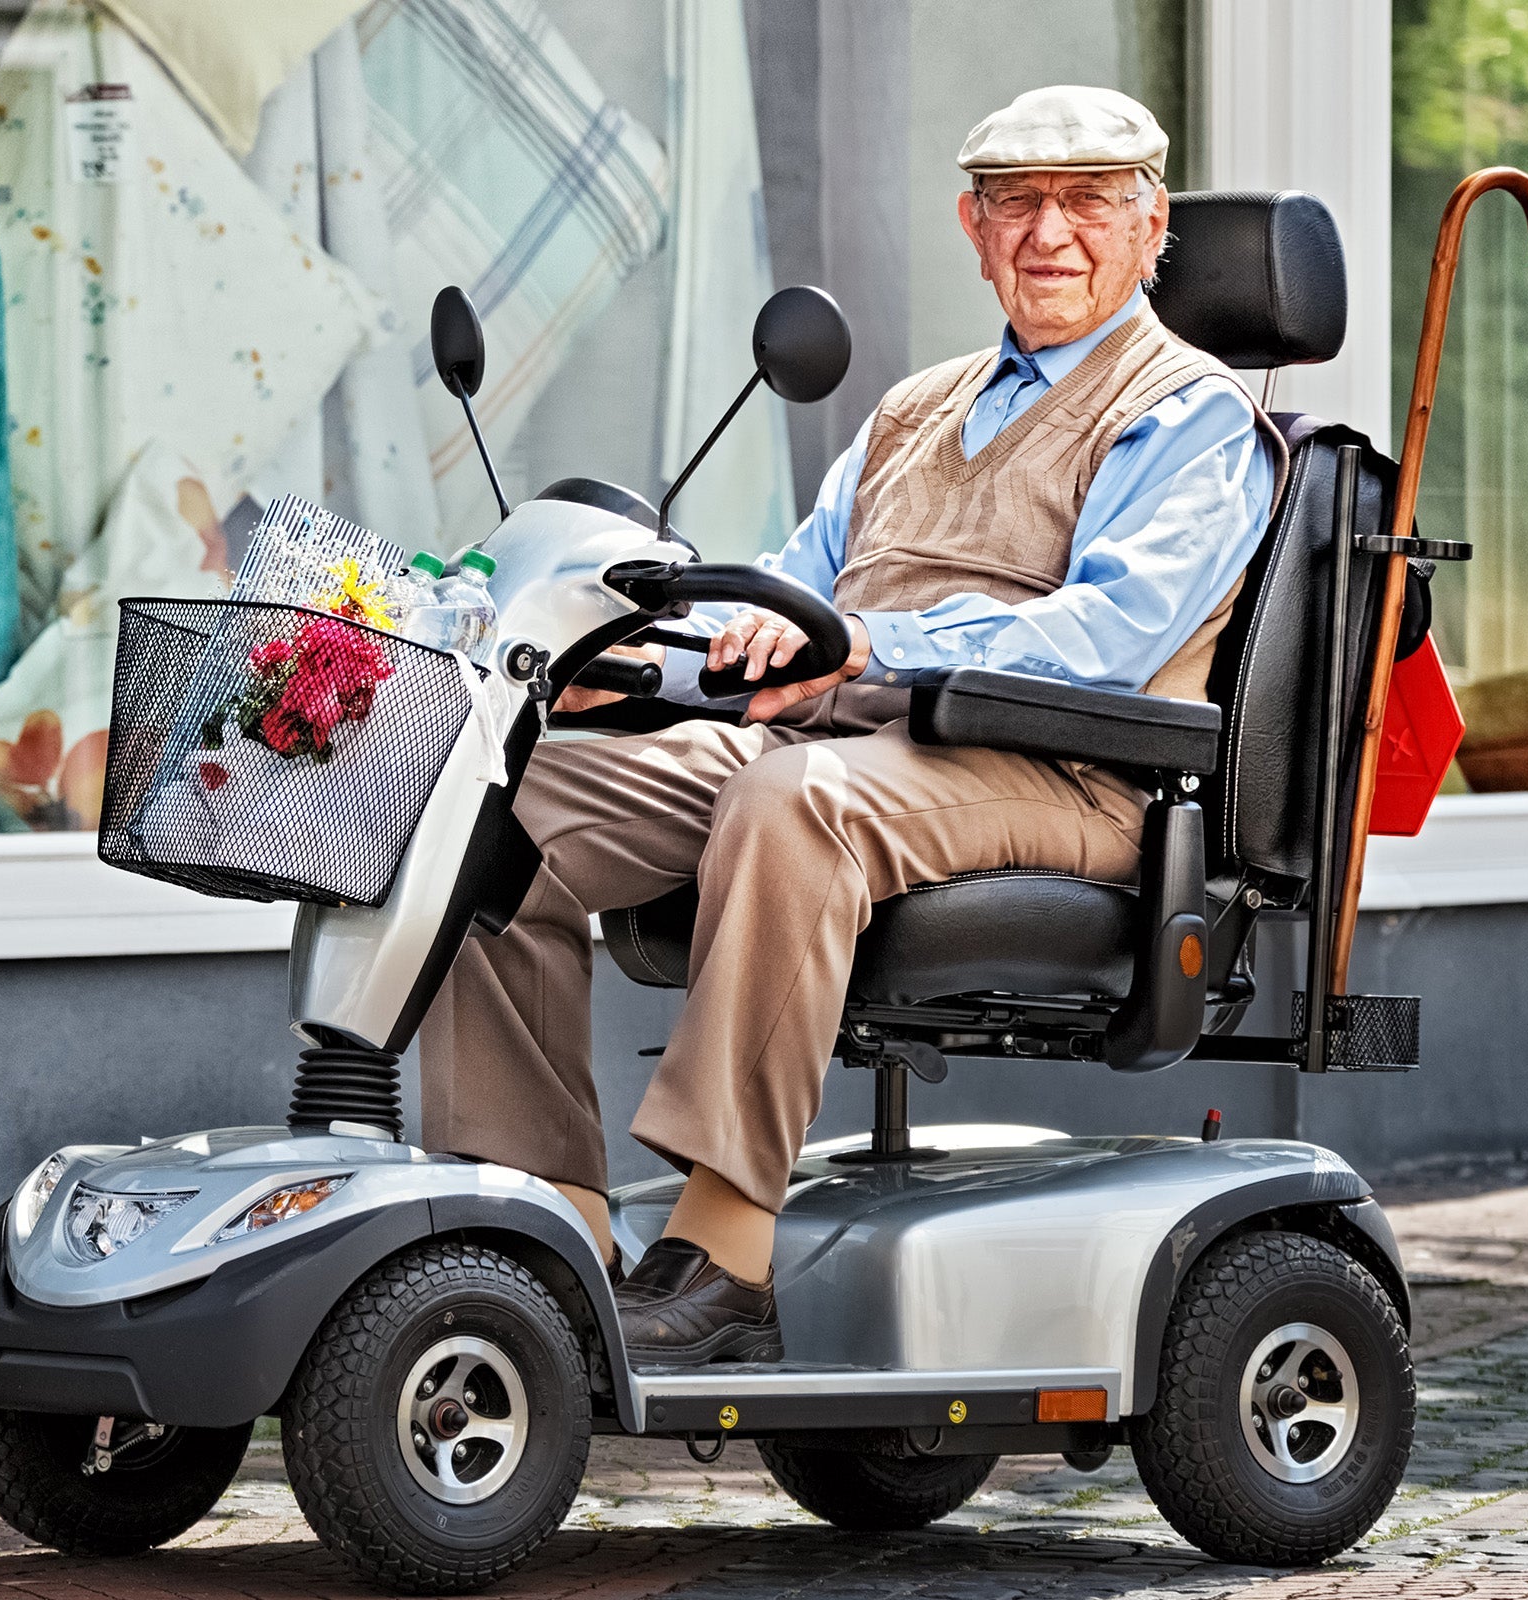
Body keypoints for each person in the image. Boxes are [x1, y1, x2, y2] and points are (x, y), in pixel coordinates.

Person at [417, 85, 1282, 1366]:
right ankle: (549, 1221)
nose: (1050, 232)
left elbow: (1107, 641)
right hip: (844, 742)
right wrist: (638, 669)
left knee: (792, 803)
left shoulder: (1189, 412)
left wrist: (880, 645)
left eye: (1089, 202)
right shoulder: (907, 411)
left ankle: (723, 1251)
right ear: (969, 226)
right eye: (1014, 204)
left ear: (1150, 226)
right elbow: (791, 594)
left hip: (1064, 774)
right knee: (504, 802)